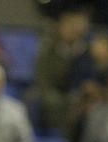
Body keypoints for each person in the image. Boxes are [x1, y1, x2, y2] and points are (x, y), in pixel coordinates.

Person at [32, 3, 92, 135]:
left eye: (77, 23)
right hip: (58, 101)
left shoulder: (91, 51)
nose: (73, 28)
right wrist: (70, 103)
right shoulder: (47, 52)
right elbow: (44, 84)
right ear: (60, 25)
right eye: (69, 23)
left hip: (85, 102)